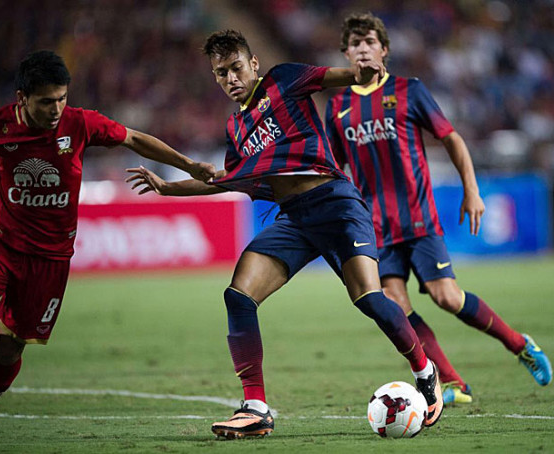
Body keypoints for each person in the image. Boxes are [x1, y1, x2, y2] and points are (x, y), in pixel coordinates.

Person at [127, 29, 444, 440]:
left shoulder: (283, 80)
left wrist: (360, 73)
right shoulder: (235, 128)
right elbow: (229, 179)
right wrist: (169, 187)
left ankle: (425, 371)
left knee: (368, 298)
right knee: (239, 296)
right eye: (220, 73)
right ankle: (256, 408)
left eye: (236, 67)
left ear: (253, 63)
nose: (230, 79)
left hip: (335, 204)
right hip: (294, 219)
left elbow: (336, 77)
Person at [0, 50, 216, 442]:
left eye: (62, 98)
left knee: (9, 349)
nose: (57, 108)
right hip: (0, 241)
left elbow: (135, 139)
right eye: (47, 101)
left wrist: (190, 166)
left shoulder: (79, 124)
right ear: (22, 98)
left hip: (51, 257)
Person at [324, 12, 552, 405]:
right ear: (346, 53)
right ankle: (451, 381)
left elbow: (453, 139)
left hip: (419, 218)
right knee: (396, 305)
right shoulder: (338, 105)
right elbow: (333, 168)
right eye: (355, 43)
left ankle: (520, 345)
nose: (362, 48)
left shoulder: (408, 90)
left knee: (447, 296)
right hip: (375, 227)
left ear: (384, 50)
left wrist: (472, 189)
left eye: (369, 41)